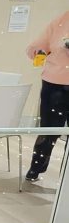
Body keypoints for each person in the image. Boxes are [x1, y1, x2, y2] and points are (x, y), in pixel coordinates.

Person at [25, 10, 69, 182]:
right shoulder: (62, 19)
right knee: (49, 129)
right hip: (54, 84)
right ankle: (36, 168)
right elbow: (35, 48)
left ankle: (65, 177)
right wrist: (38, 52)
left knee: (49, 129)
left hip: (55, 82)